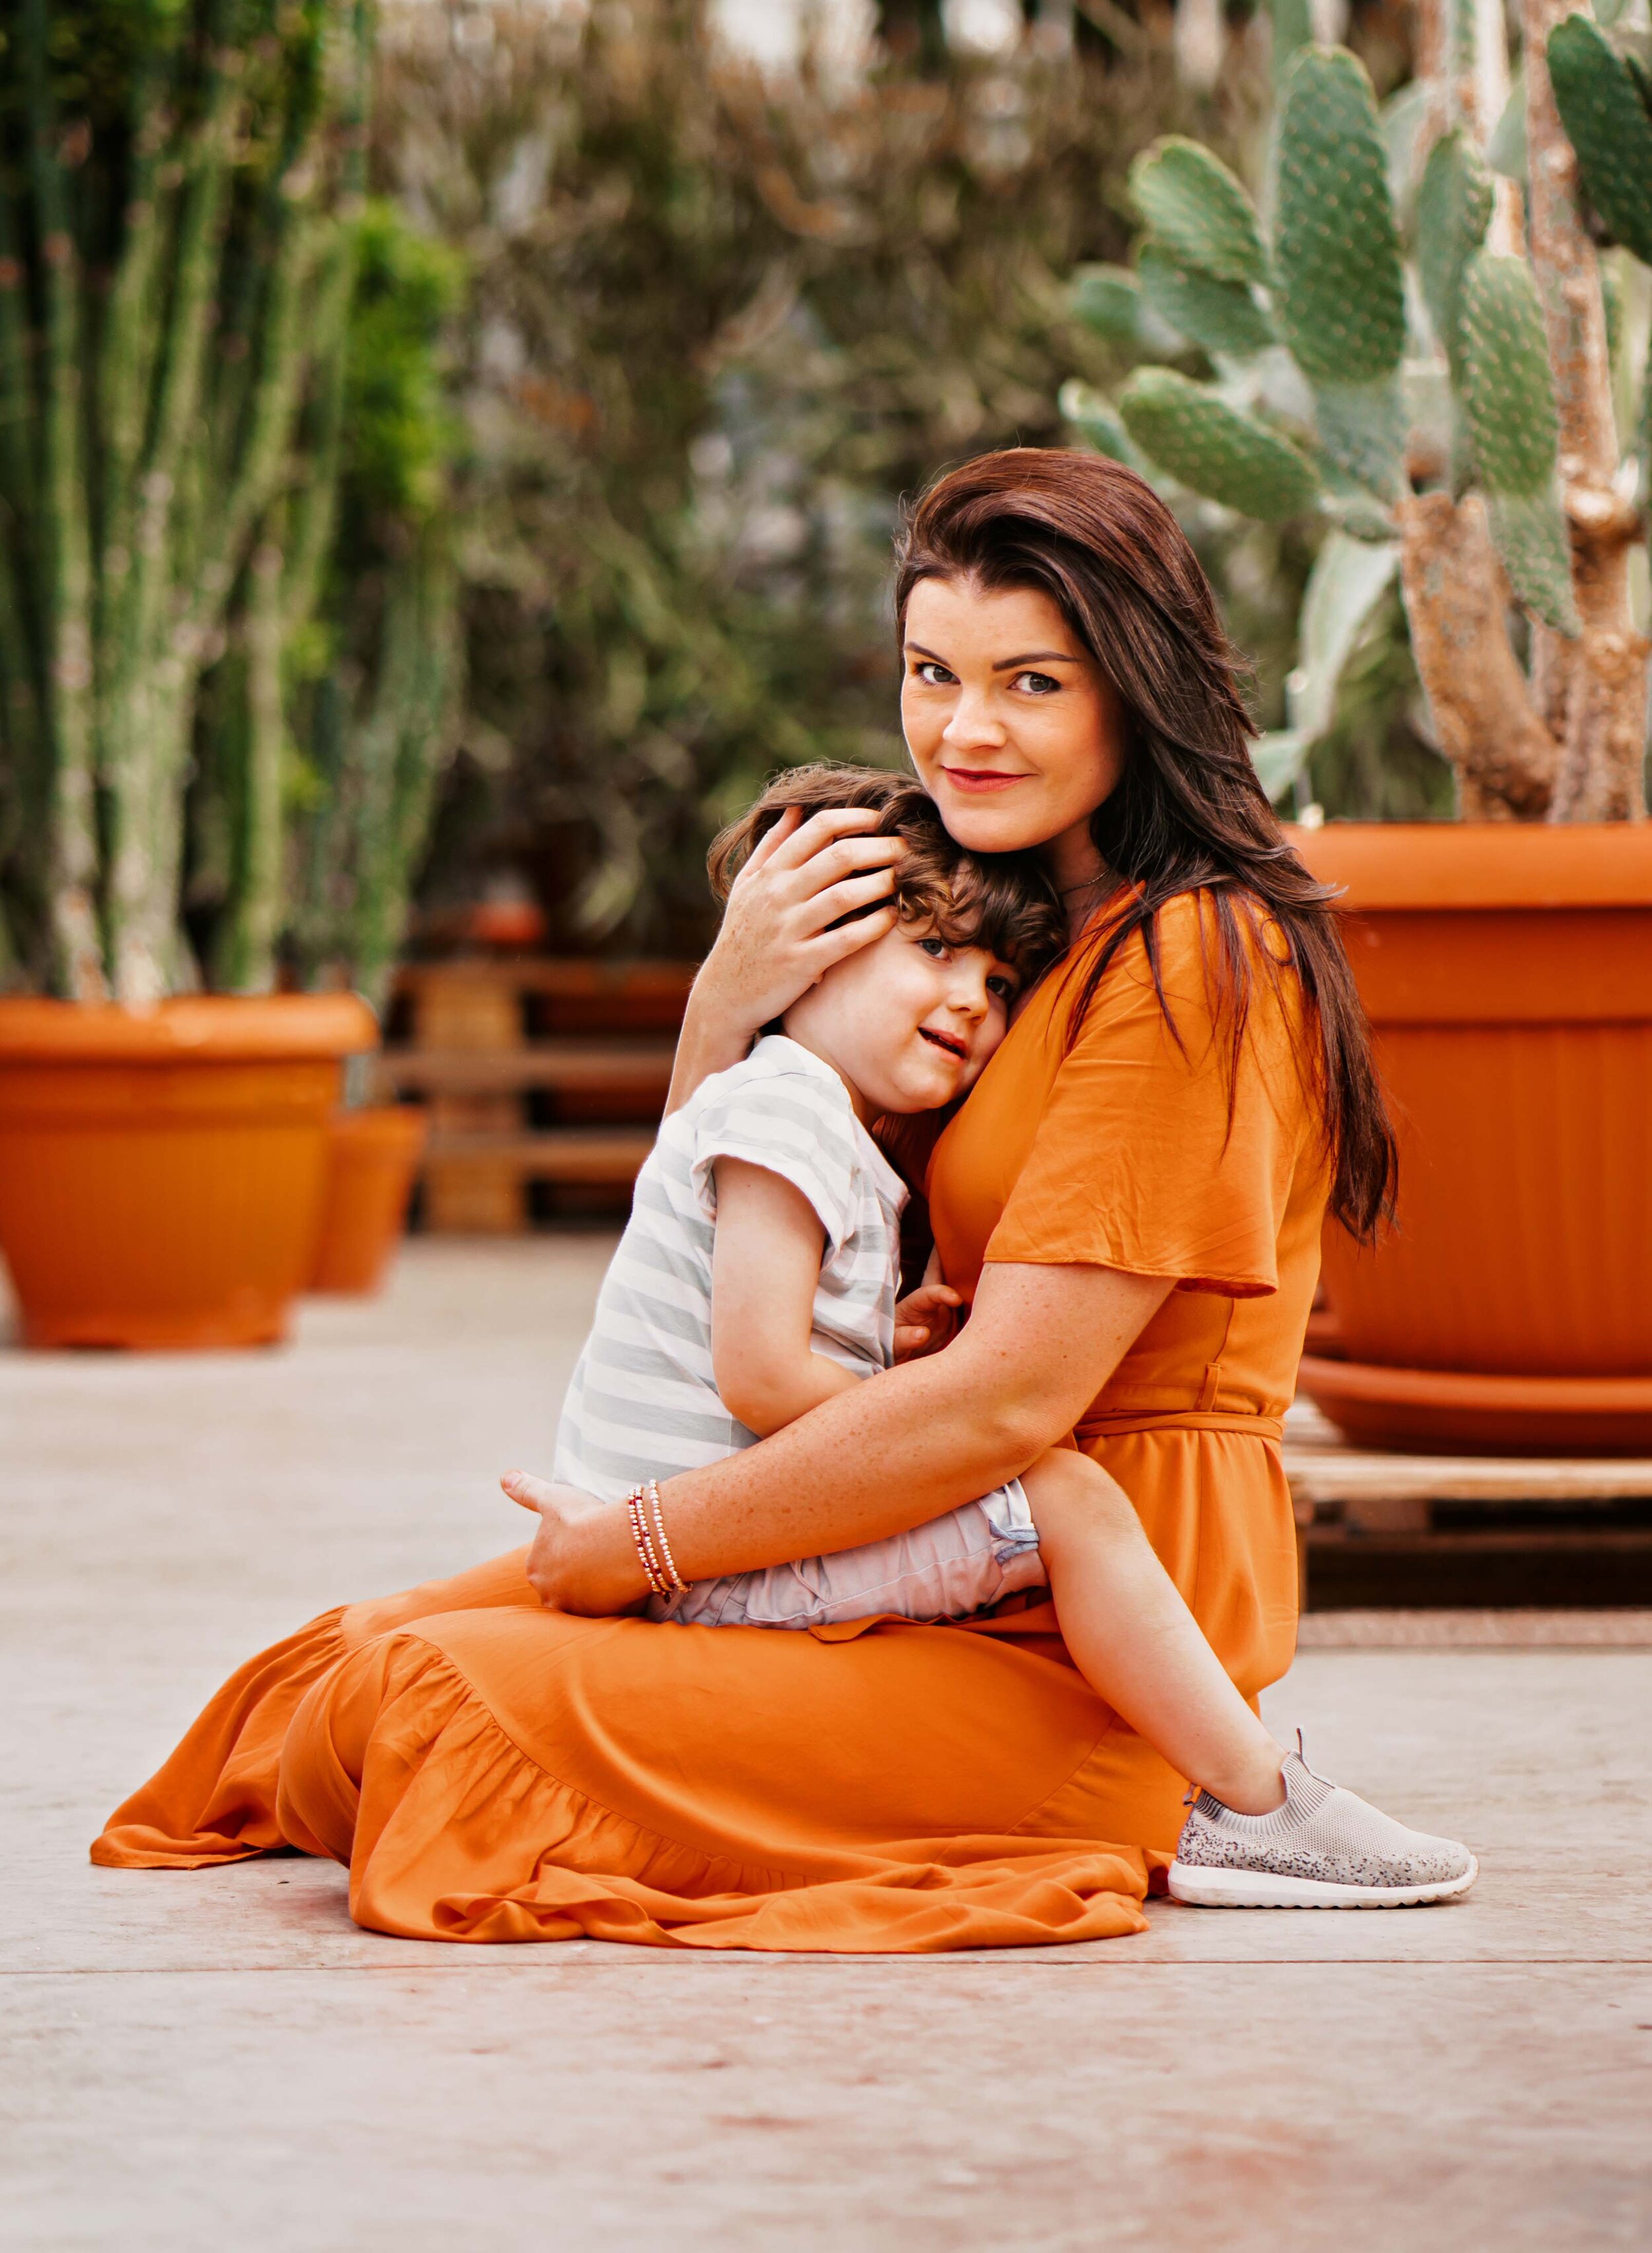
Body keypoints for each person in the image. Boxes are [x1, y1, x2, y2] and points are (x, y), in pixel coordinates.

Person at [94, 449, 1465, 1948]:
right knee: (344, 1655)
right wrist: (725, 1002)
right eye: (930, 671)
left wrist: (655, 1539)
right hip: (916, 1528)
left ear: (1134, 693)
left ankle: (1229, 1805)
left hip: (1080, 1635)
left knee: (429, 1696)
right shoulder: (1009, 935)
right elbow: (735, 1219)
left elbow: (1011, 1405)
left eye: (1031, 684)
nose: (963, 729)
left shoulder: (1191, 958)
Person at [509, 761, 1476, 1909]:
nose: (972, 999)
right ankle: (1260, 1808)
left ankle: (1251, 1801)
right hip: (705, 1539)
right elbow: (762, 1373)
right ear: (806, 955)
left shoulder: (826, 1115)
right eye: (933, 953)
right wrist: (938, 1429)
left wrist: (890, 1358)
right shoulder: (784, 1110)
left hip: (702, 1529)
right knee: (1063, 1497)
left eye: (1000, 978)